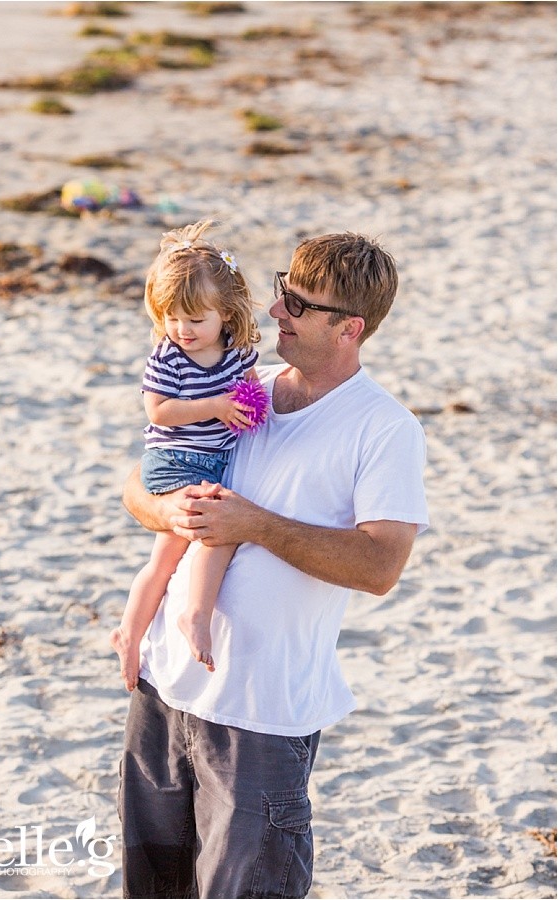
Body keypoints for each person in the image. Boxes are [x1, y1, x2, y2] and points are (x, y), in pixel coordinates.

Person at [118, 229, 429, 899]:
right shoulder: (244, 387)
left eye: (296, 304)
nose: (273, 312)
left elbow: (380, 566)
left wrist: (253, 524)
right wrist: (170, 515)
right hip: (164, 689)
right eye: (281, 291)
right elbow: (136, 486)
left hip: (260, 716)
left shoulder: (383, 429)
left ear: (349, 328)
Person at [110, 220, 262, 691]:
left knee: (167, 556)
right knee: (215, 533)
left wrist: (251, 409)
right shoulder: (169, 356)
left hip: (212, 463)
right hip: (174, 461)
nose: (183, 329)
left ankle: (129, 632)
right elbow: (159, 410)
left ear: (227, 314)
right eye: (172, 317)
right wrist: (215, 407)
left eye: (196, 320)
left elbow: (253, 395)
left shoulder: (237, 353)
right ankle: (194, 616)